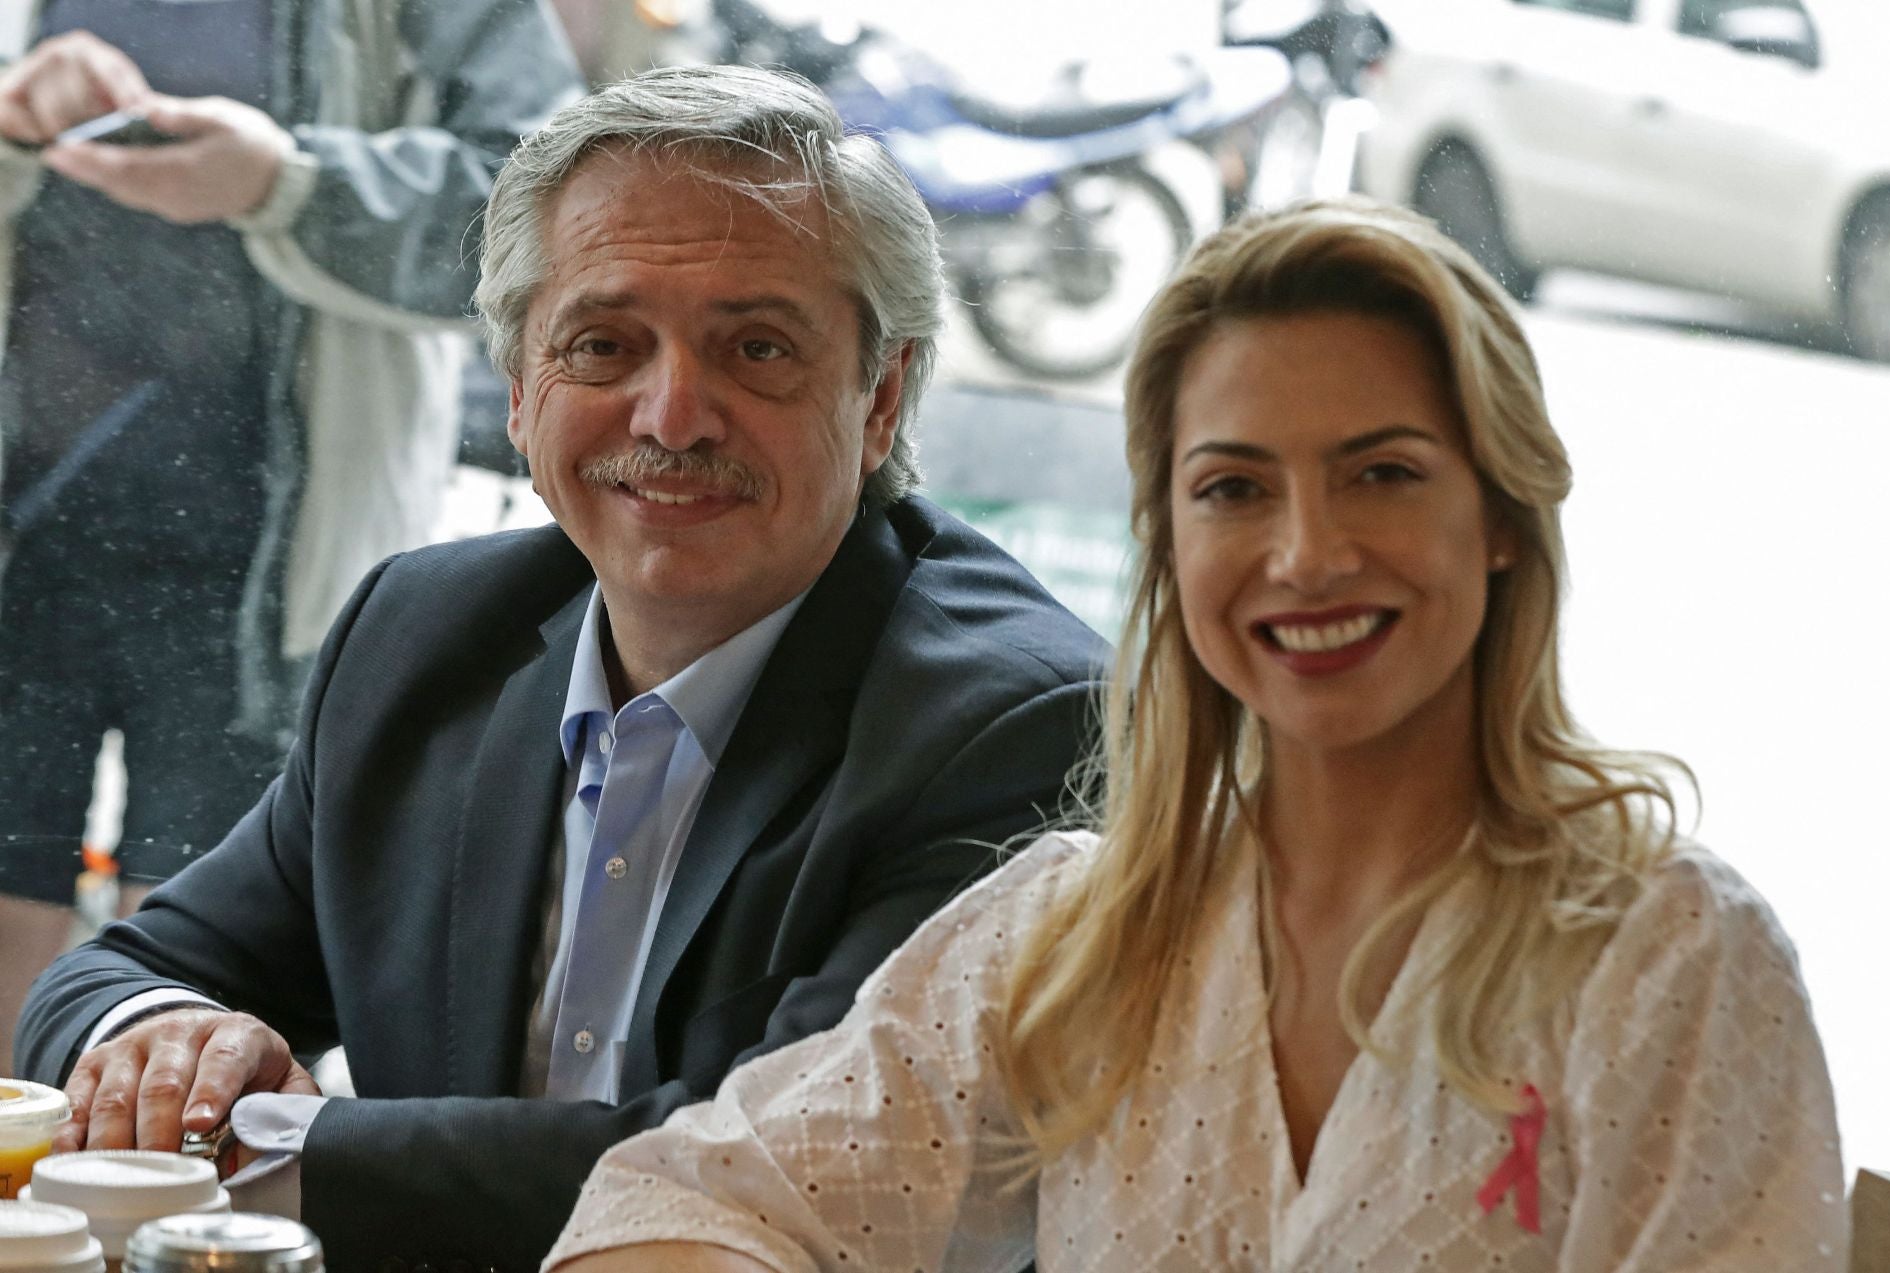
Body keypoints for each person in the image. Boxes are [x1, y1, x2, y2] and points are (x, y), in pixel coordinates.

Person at [540, 200, 1849, 1272]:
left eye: (1381, 472)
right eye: (1234, 488)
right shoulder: (1083, 927)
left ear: (1501, 517)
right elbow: (683, 1202)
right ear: (1169, 545)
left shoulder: (1668, 958)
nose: (1306, 552)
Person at [14, 66, 1107, 1273]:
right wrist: (166, 1038)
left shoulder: (1015, 721)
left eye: (757, 347)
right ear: (524, 393)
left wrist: (272, 1143)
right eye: (604, 344)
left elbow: (758, 1171)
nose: (674, 414)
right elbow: (127, 970)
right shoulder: (424, 633)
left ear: (881, 395)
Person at [0, 0, 584, 1059]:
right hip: (27, 542)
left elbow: (554, 208)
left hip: (271, 574)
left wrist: (291, 185)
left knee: (187, 1015)